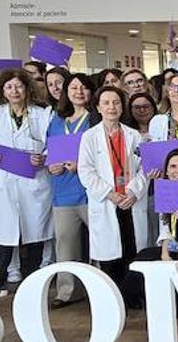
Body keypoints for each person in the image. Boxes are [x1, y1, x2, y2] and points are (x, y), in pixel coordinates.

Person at [0, 69, 53, 294]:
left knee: (35, 232)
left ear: (27, 88)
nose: (14, 91)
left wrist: (44, 158)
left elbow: (52, 145)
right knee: (5, 232)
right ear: (2, 90)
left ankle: (32, 282)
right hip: (5, 181)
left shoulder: (41, 114)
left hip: (34, 181)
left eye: (19, 86)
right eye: (9, 87)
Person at [77, 85, 147, 306]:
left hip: (130, 200)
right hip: (108, 201)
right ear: (98, 107)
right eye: (106, 103)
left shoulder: (134, 136)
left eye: (116, 102)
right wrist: (109, 193)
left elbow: (145, 168)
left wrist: (133, 191)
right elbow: (85, 171)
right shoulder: (89, 137)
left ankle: (133, 296)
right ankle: (114, 298)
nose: (111, 107)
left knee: (132, 248)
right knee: (110, 253)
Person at [47, 72, 98, 307]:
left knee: (99, 241)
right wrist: (51, 165)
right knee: (65, 243)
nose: (79, 92)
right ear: (66, 92)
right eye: (74, 88)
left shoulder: (95, 120)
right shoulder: (57, 121)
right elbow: (50, 151)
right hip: (63, 190)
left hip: (90, 190)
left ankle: (101, 287)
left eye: (83, 88)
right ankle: (67, 291)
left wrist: (82, 166)